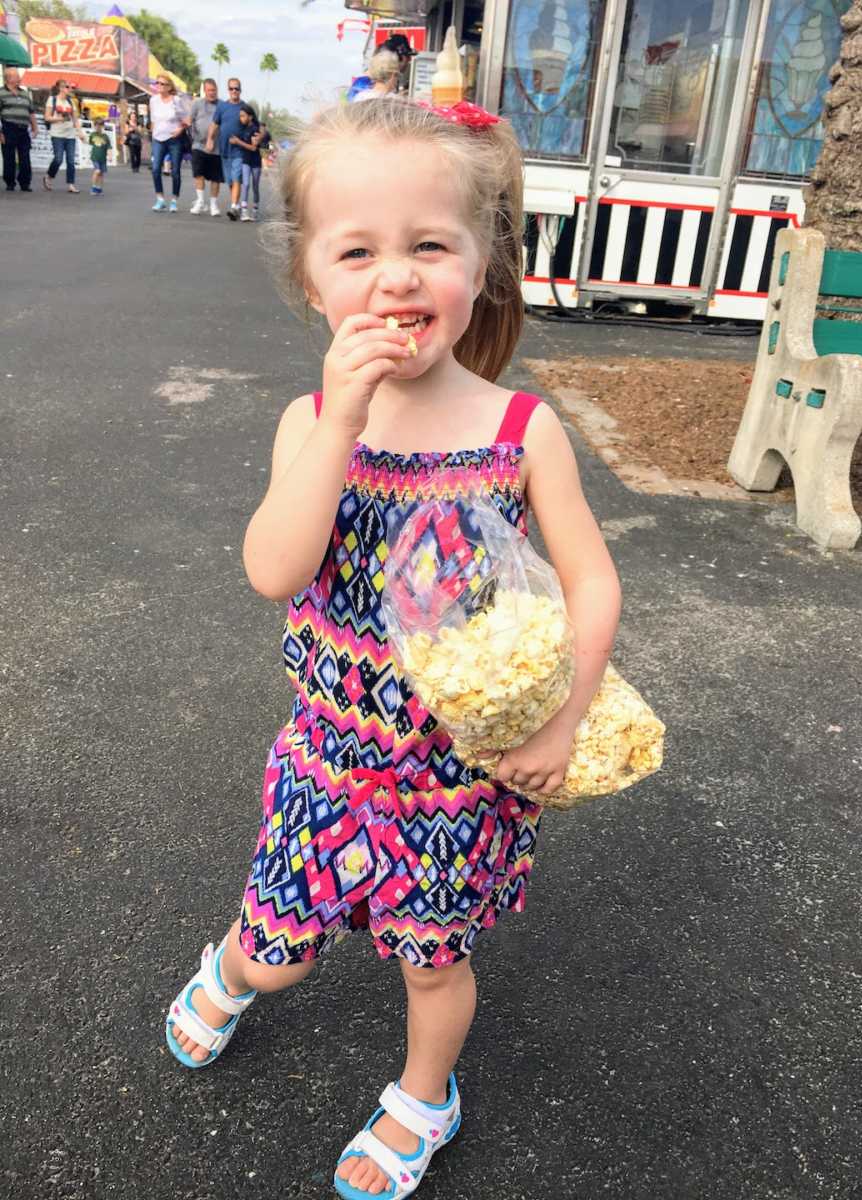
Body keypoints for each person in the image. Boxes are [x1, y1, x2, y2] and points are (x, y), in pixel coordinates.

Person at [165, 98, 621, 1200]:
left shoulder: (520, 431)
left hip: (454, 778)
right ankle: (234, 969)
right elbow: (275, 568)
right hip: (328, 762)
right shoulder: (312, 419)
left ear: (482, 266)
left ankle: (425, 1096)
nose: (398, 278)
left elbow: (593, 580)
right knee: (281, 948)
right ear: (313, 282)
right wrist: (339, 423)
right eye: (359, 251)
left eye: (431, 247)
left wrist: (564, 721)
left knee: (433, 958)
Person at [149, 74, 190, 212]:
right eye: (157, 83)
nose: (159, 86)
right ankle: (160, 199)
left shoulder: (176, 100)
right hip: (158, 139)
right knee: (155, 169)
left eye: (162, 84)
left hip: (174, 139)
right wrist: (153, 134)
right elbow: (153, 120)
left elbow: (187, 119)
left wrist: (180, 129)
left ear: (169, 87)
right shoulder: (153, 100)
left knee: (175, 171)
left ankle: (174, 200)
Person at [206, 77, 245, 221]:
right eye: (231, 88)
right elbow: (214, 125)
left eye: (236, 88)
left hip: (239, 151)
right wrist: (210, 139)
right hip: (224, 151)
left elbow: (254, 127)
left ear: (240, 90)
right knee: (230, 181)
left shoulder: (245, 108)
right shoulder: (222, 107)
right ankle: (236, 204)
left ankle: (234, 206)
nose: (234, 91)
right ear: (228, 90)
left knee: (236, 178)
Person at [42, 80, 86, 194]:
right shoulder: (52, 100)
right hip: (57, 134)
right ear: (61, 88)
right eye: (67, 87)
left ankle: (71, 184)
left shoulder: (71, 102)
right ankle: (49, 175)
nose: (70, 89)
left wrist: (80, 132)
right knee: (58, 159)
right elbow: (47, 117)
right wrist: (60, 119)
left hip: (70, 134)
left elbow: (75, 119)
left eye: (71, 87)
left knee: (71, 160)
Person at [0, 66, 38, 192]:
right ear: (8, 79)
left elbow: (31, 112)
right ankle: (10, 182)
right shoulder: (1, 93)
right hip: (8, 128)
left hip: (23, 129)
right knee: (9, 157)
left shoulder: (25, 93)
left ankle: (25, 183)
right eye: (16, 76)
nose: (19, 78)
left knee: (25, 156)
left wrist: (35, 127)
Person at [189, 77, 223, 216]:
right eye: (209, 90)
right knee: (199, 174)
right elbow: (190, 120)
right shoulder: (197, 104)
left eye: (214, 90)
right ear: (204, 91)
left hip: (217, 147)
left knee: (215, 178)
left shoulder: (222, 105)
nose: (211, 93)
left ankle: (213, 205)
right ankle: (200, 201)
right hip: (198, 145)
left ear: (217, 90)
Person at [230, 102, 262, 222]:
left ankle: (255, 209)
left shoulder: (255, 129)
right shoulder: (242, 128)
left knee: (255, 186)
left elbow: (253, 148)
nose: (241, 118)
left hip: (255, 162)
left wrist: (238, 142)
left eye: (243, 116)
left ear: (250, 117)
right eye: (240, 116)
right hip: (245, 161)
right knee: (246, 184)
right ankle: (244, 211)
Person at [88, 116, 111, 195]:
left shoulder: (105, 137)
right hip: (95, 157)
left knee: (101, 173)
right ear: (94, 126)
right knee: (97, 171)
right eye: (96, 125)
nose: (98, 127)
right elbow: (90, 142)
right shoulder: (92, 135)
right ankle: (93, 187)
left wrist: (110, 155)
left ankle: (99, 188)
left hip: (103, 158)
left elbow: (109, 147)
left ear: (102, 126)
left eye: (100, 125)